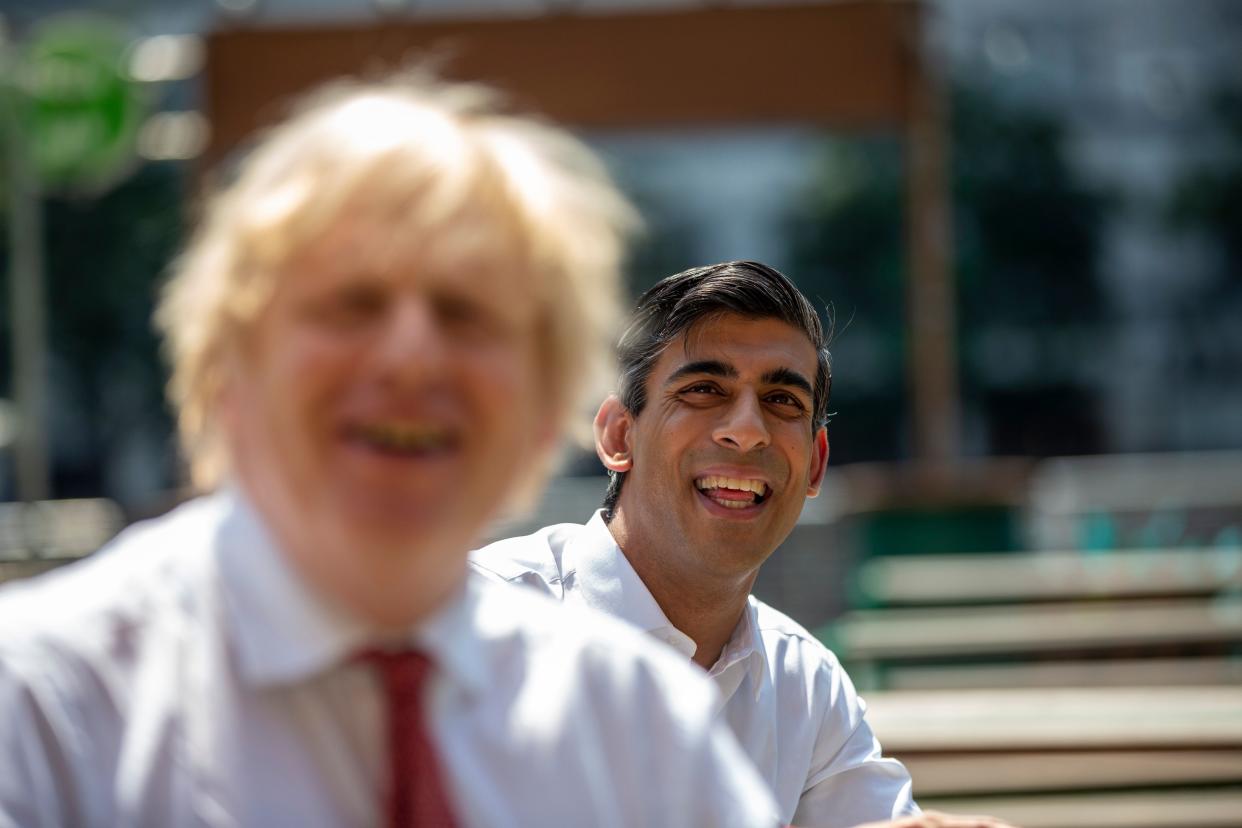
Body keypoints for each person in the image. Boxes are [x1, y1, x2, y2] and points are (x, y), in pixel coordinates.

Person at [0, 77, 780, 827]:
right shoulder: (42, 710)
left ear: (548, 411)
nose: (411, 357)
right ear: (225, 369)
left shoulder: (639, 735)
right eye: (352, 303)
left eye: (465, 313)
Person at [473, 261, 1016, 828]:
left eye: (783, 400)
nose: (748, 429)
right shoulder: (477, 628)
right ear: (618, 435)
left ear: (815, 464)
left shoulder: (803, 684)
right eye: (704, 389)